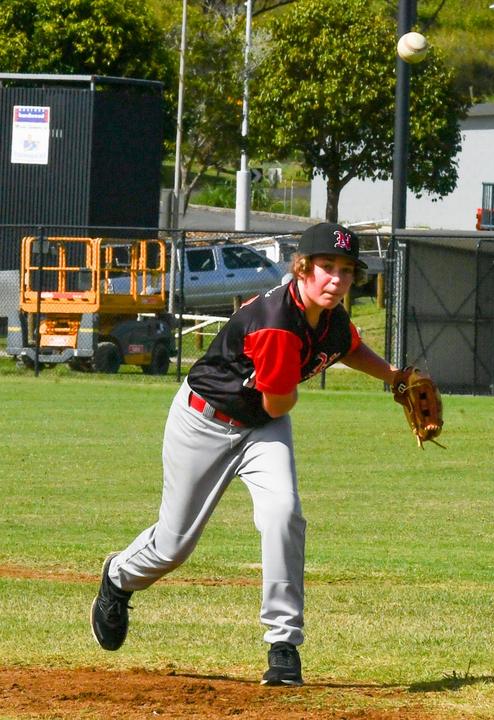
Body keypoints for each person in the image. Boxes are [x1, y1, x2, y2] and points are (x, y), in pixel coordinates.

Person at [90, 222, 420, 687]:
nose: (337, 280)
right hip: (204, 421)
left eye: (346, 271)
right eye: (327, 267)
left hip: (261, 428)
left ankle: (283, 646)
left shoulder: (329, 316)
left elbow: (346, 346)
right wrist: (288, 393)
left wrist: (393, 376)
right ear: (302, 268)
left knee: (283, 513)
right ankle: (119, 577)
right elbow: (278, 401)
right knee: (173, 545)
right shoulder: (275, 324)